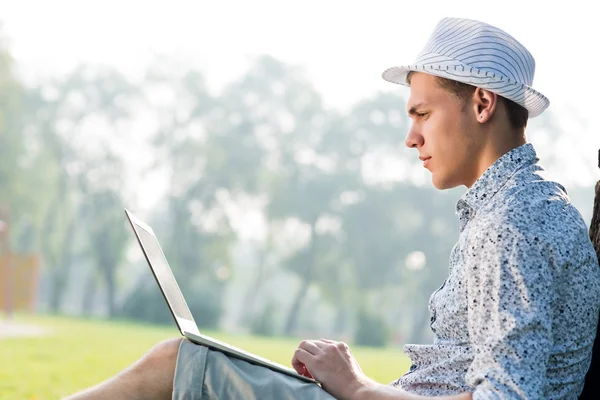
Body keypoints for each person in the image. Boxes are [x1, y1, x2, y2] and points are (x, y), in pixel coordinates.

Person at [65, 17, 600, 400]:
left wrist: (357, 386)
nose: (410, 137)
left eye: (422, 113)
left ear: (482, 104)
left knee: (180, 363)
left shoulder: (511, 223)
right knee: (182, 360)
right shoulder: (532, 207)